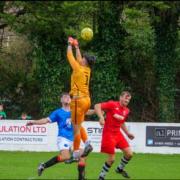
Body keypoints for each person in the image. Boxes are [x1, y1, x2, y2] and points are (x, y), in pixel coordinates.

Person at [26, 92, 86, 180]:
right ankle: (43, 165)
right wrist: (34, 122)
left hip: (74, 138)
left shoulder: (75, 110)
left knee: (82, 157)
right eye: (65, 97)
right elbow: (45, 120)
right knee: (66, 157)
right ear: (61, 100)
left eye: (69, 97)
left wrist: (97, 112)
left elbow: (87, 111)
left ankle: (81, 178)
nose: (67, 98)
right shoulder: (58, 112)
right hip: (63, 138)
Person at [66, 37, 96, 159]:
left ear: (85, 62)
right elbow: (78, 58)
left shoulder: (78, 68)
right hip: (87, 100)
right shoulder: (87, 69)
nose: (81, 58)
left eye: (83, 58)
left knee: (75, 128)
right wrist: (76, 46)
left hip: (78, 101)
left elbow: (70, 56)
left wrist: (69, 44)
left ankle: (76, 153)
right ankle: (87, 143)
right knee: (78, 124)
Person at [94, 91, 135, 179]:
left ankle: (119, 169)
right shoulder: (112, 104)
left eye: (129, 99)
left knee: (129, 154)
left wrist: (127, 133)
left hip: (118, 133)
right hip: (108, 133)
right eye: (125, 98)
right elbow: (97, 106)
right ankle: (101, 177)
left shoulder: (126, 110)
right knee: (111, 159)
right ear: (120, 97)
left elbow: (122, 122)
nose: (127, 100)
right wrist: (101, 117)